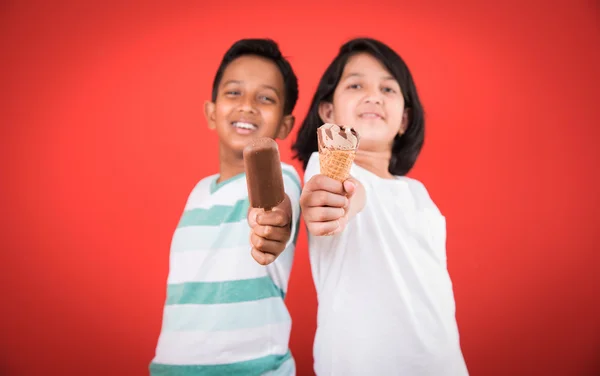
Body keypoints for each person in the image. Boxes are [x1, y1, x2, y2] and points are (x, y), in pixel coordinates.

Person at [292, 37, 469, 375]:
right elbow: (345, 194)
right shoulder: (327, 166)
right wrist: (334, 203)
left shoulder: (418, 194)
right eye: (356, 85)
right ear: (328, 112)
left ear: (404, 119)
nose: (373, 95)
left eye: (388, 90)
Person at [150, 38, 302, 376]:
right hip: (172, 368)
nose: (247, 106)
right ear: (211, 112)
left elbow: (278, 214)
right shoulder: (198, 193)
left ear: (284, 126)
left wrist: (273, 225)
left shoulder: (284, 177)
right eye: (234, 93)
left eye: (266, 98)